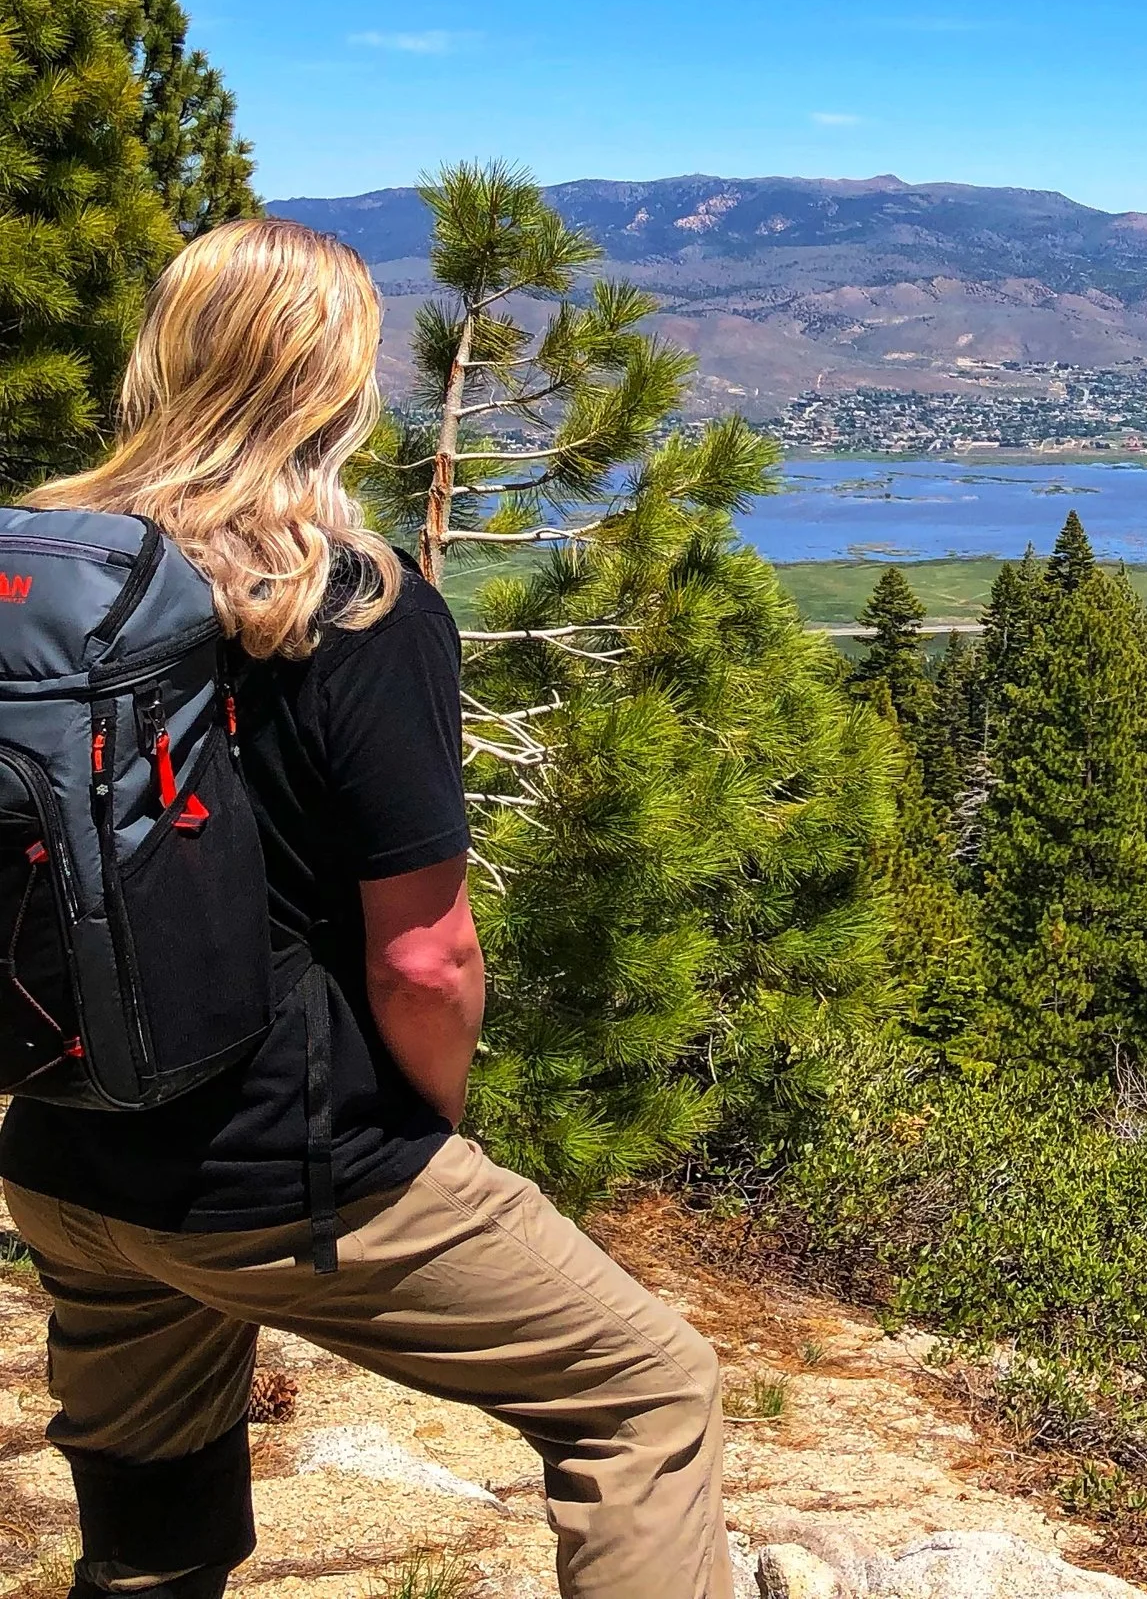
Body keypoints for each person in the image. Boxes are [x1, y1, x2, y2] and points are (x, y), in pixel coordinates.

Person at [0, 219, 732, 1599]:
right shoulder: (357, 609)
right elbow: (426, 954)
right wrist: (426, 1133)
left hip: (66, 1148)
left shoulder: (37, 584)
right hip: (288, 1166)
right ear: (334, 382)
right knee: (645, 1391)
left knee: (145, 1539)